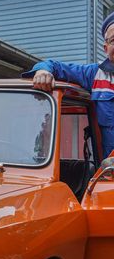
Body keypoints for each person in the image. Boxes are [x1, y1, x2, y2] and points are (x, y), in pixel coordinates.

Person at [23, 11, 114, 158]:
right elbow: (55, 65)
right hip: (109, 175)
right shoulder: (94, 74)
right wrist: (42, 71)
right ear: (105, 48)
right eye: (113, 40)